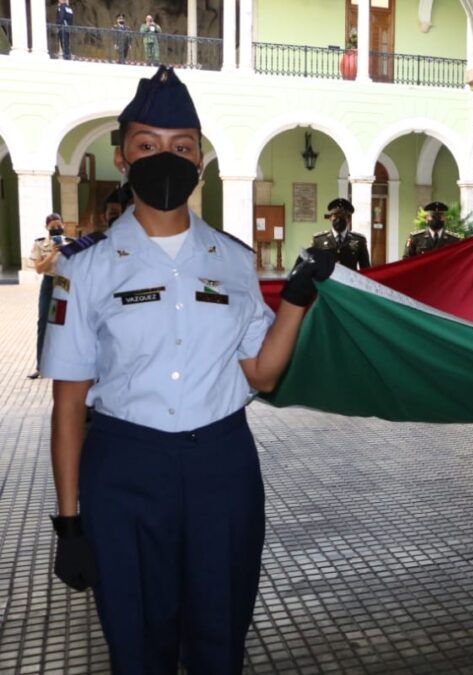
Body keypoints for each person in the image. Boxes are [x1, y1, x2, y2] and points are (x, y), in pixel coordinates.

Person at [40, 66, 333, 674]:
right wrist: (69, 522)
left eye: (182, 147)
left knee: (219, 634)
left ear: (200, 159)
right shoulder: (85, 269)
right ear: (123, 157)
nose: (164, 158)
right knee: (136, 640)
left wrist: (297, 301)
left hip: (221, 469)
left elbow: (263, 375)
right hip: (124, 469)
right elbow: (69, 404)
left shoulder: (232, 259)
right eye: (147, 145)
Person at [27, 213, 72, 379]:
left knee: (65, 324)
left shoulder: (71, 243)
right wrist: (53, 253)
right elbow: (39, 269)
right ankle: (41, 366)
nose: (56, 229)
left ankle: (65, 364)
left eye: (59, 226)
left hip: (65, 284)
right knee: (44, 323)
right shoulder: (40, 244)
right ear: (46, 227)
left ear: (63, 225)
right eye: (52, 227)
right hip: (48, 284)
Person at [312, 197, 371, 270]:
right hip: (327, 280)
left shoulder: (359, 240)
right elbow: (312, 267)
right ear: (330, 218)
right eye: (335, 215)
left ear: (349, 219)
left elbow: (366, 269)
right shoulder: (319, 240)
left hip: (348, 281)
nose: (339, 219)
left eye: (343, 215)